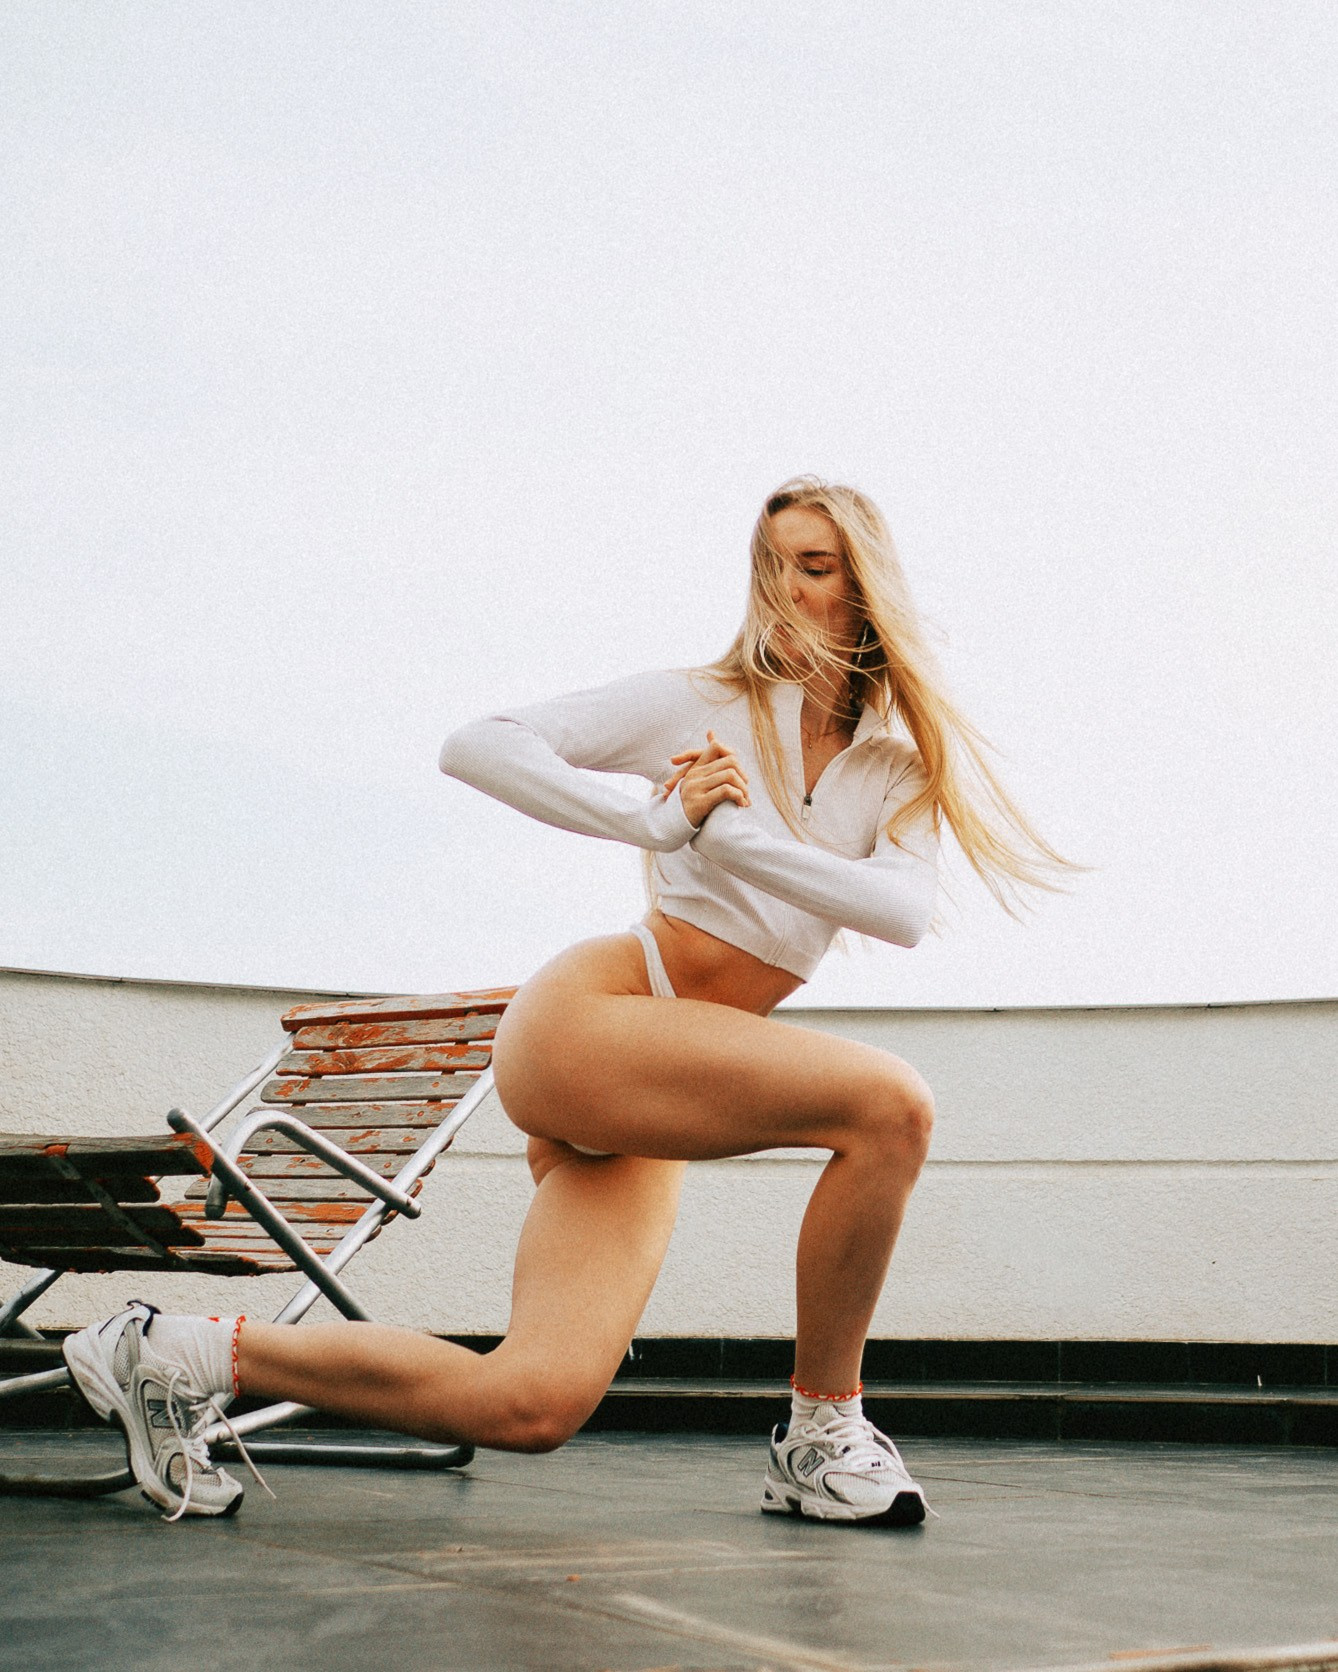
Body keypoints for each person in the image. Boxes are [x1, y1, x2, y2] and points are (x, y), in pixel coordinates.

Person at [62, 477, 1071, 1523]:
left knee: (533, 1400)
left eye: (814, 568)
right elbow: (479, 743)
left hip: (653, 1090)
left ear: (864, 585)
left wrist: (731, 839)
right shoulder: (705, 700)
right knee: (891, 1106)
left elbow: (900, 911)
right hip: (594, 1019)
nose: (786, 590)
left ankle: (169, 1352)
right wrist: (651, 823)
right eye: (770, 567)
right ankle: (821, 1431)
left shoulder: (897, 769)